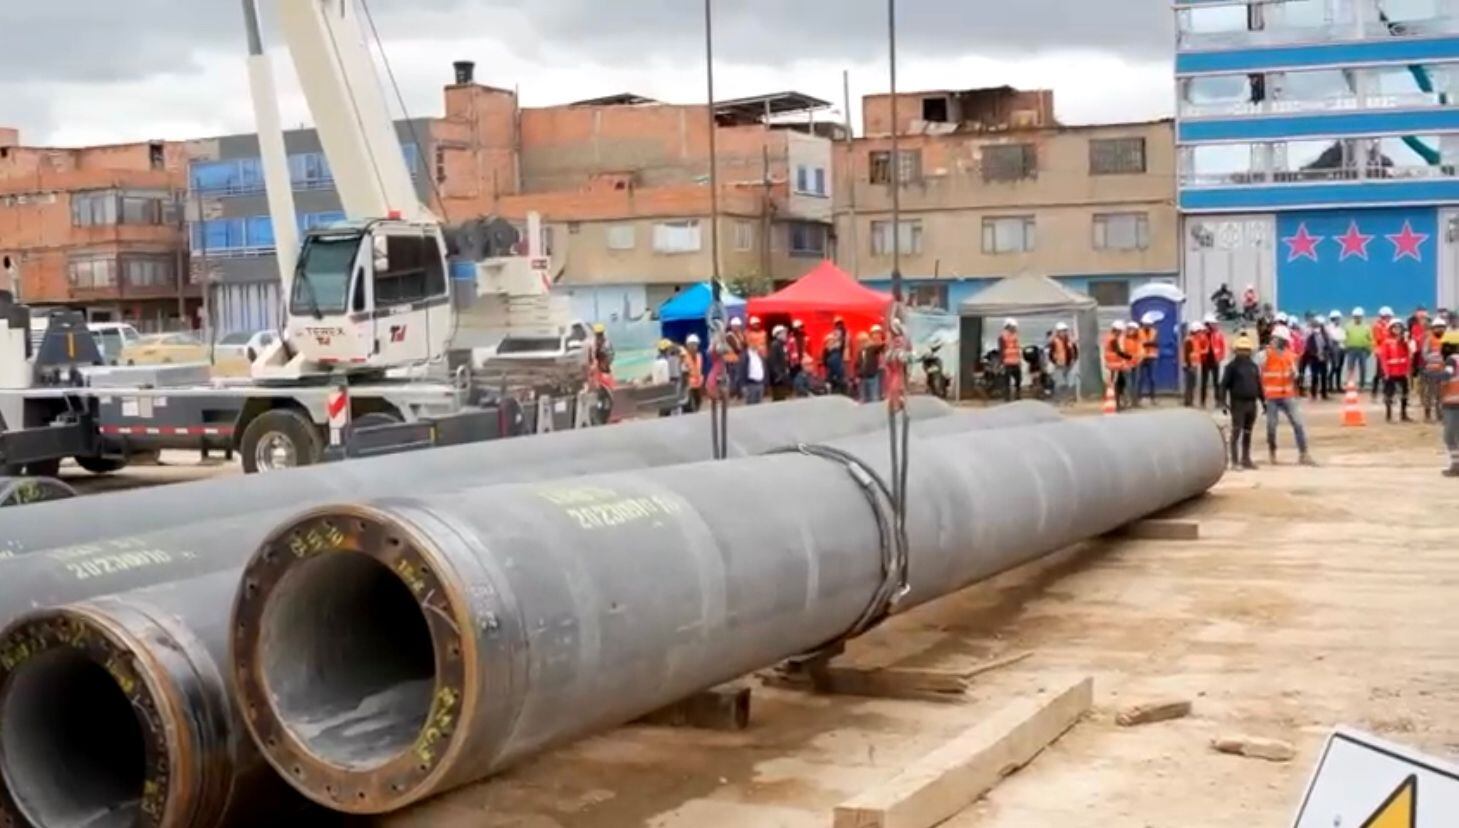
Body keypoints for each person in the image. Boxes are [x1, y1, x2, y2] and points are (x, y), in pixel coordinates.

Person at [1258, 326, 1316, 466]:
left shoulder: (1290, 355)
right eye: (1281, 340)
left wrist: (1294, 375)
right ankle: (1272, 453)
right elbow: (1259, 364)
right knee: (1271, 426)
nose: (1283, 343)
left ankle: (1303, 454)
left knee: (1298, 423)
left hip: (1288, 395)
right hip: (1272, 396)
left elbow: (1295, 373)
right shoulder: (1266, 354)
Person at [1219, 335, 1263, 470]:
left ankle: (1246, 459)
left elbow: (1258, 384)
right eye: (1241, 350)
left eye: (1246, 350)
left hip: (1252, 403)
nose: (1244, 352)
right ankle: (1235, 461)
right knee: (1237, 431)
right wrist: (1222, 403)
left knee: (1248, 432)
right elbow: (1223, 385)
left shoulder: (1254, 367)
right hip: (1238, 403)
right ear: (1236, 351)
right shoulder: (1231, 367)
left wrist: (1263, 401)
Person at [1379, 319, 1413, 423]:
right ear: (1391, 329)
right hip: (1391, 373)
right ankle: (1389, 416)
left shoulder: (1404, 341)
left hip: (1402, 372)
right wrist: (1386, 372)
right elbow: (1383, 358)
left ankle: (1404, 414)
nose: (1397, 330)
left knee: (1405, 394)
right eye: (1395, 328)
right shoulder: (1386, 342)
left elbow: (1408, 355)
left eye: (1399, 328)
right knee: (1389, 394)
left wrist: (1408, 370)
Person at [1418, 317, 1449, 423]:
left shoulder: (1447, 340)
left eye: (1442, 327)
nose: (1440, 330)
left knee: (1441, 394)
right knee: (1429, 394)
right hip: (1431, 371)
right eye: (1437, 327)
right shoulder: (1429, 339)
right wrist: (1438, 357)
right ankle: (1427, 415)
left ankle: (1440, 415)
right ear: (1433, 329)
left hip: (1443, 371)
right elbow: (1425, 354)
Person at [1047, 322, 1078, 403]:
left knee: (1070, 383)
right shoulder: (1054, 342)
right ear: (1058, 332)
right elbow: (1051, 354)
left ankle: (1069, 400)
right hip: (1059, 366)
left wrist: (1074, 359)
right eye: (1062, 331)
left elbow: (1075, 350)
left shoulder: (1070, 341)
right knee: (1060, 384)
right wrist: (1055, 362)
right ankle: (1059, 400)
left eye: (1065, 331)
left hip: (1069, 365)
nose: (1064, 333)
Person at [1104, 320, 1131, 411]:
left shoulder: (1111, 337)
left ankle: (1119, 403)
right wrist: (1129, 357)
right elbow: (1118, 352)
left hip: (1115, 365)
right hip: (1114, 366)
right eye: (1120, 331)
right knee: (1116, 385)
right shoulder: (1112, 339)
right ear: (1116, 330)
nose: (1121, 333)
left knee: (1119, 384)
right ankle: (1116, 404)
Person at [1442, 337, 1459, 477]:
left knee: (1449, 436)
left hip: (1453, 403)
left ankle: (1456, 464)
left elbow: (1446, 376)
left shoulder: (1452, 360)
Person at [1345, 307, 1373, 390]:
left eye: (1359, 316)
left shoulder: (1367, 326)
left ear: (1362, 317)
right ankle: (1350, 384)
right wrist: (1346, 348)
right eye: (1356, 316)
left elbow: (1371, 339)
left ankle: (1362, 385)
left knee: (1363, 368)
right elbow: (1344, 338)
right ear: (1353, 317)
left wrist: (1369, 350)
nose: (1357, 318)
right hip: (1351, 349)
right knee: (1350, 367)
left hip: (1363, 350)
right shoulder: (1348, 326)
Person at [1304, 316, 1331, 401]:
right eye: (1315, 326)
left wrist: (1324, 354)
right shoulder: (1310, 337)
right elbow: (1308, 348)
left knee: (1324, 376)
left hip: (1323, 359)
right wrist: (1316, 354)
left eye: (1318, 326)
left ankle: (1324, 394)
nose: (1316, 328)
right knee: (1314, 376)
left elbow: (1328, 346)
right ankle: (1313, 394)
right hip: (1314, 359)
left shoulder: (1325, 336)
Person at [1372, 307, 1396, 401]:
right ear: (1382, 316)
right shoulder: (1377, 326)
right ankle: (1374, 393)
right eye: (1386, 316)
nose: (1388, 318)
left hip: (1391, 352)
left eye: (1389, 316)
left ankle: (1389, 395)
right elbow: (1378, 339)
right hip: (1381, 352)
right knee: (1379, 373)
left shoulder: (1391, 325)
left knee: (1391, 373)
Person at [856, 327, 886, 403]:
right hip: (863, 377)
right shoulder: (860, 352)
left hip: (872, 376)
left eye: (864, 341)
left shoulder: (872, 348)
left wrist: (885, 342)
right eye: (861, 341)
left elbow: (880, 348)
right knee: (864, 398)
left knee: (874, 397)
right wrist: (857, 376)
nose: (863, 343)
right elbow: (857, 365)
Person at [823, 318, 850, 396]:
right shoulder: (829, 353)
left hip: (838, 377)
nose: (839, 326)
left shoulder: (834, 353)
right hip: (836, 375)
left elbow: (838, 371)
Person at [1137, 314, 1160, 406]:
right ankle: (1139, 398)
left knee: (1152, 379)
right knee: (1140, 378)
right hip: (1141, 357)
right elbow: (1139, 344)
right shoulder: (1138, 332)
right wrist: (1148, 344)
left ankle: (1153, 398)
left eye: (1149, 324)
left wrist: (1147, 344)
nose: (1147, 326)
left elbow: (1156, 344)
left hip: (1151, 357)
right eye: (1145, 324)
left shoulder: (1154, 332)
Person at [1183, 322, 1208, 408]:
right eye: (1199, 331)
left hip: (1194, 364)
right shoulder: (1189, 340)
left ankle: (1190, 401)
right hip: (1190, 365)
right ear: (1195, 331)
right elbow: (1187, 354)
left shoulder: (1195, 339)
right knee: (1190, 384)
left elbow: (1196, 351)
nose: (1200, 333)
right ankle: (1188, 401)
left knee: (1192, 384)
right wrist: (1189, 365)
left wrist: (1202, 351)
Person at [1122, 320, 1145, 409]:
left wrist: (1138, 359)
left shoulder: (1138, 339)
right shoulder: (1124, 339)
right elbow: (1122, 352)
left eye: (1134, 329)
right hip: (1127, 365)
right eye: (1130, 329)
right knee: (1128, 384)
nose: (1131, 331)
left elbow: (1141, 351)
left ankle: (1135, 401)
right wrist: (1126, 362)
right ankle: (1128, 401)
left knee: (1136, 383)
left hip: (1136, 364)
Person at [767, 325, 793, 402]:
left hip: (781, 378)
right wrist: (779, 376)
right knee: (779, 400)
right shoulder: (775, 345)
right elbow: (773, 363)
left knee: (782, 399)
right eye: (783, 333)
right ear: (777, 334)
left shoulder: (781, 345)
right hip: (778, 380)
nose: (785, 335)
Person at [999, 319, 1022, 401]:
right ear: (1008, 327)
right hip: (1007, 362)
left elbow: (1017, 348)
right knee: (1007, 382)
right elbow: (1001, 350)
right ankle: (1007, 398)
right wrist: (1001, 363)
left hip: (1015, 362)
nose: (1015, 328)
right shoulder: (1002, 337)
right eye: (1013, 327)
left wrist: (1019, 360)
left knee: (1018, 380)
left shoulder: (1015, 336)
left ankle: (1017, 396)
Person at [723, 317, 746, 397]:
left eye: (738, 326)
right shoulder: (729, 335)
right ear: (732, 326)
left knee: (739, 376)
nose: (737, 328)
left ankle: (738, 392)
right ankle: (733, 393)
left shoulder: (740, 334)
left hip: (738, 359)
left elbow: (744, 345)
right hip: (731, 359)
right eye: (735, 326)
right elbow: (736, 348)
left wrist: (741, 346)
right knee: (734, 377)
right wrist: (741, 347)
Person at [1326, 310, 1347, 392]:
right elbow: (1333, 338)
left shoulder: (1340, 328)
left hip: (1341, 349)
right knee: (1335, 367)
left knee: (1339, 368)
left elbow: (1344, 338)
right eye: (1338, 319)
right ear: (1333, 319)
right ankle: (1330, 385)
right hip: (1334, 349)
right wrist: (1339, 340)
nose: (1339, 320)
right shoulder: (1328, 328)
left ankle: (1338, 386)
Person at [682, 333, 704, 413]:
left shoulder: (699, 356)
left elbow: (700, 368)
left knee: (698, 400)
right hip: (689, 384)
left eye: (695, 345)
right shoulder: (684, 357)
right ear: (688, 346)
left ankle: (696, 410)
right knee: (689, 402)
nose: (694, 347)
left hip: (698, 382)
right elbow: (684, 371)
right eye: (691, 345)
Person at [743, 333, 766, 405]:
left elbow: (763, 368)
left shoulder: (759, 354)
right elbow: (742, 371)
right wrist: (743, 386)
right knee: (751, 405)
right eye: (752, 342)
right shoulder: (745, 355)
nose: (754, 344)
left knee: (759, 406)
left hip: (760, 383)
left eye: (755, 342)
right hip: (751, 385)